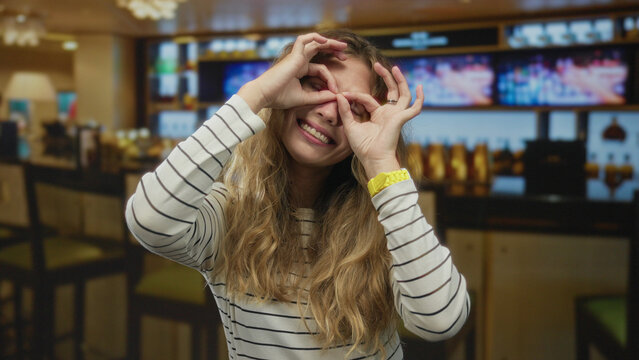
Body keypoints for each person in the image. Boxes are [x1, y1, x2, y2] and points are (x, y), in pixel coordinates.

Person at [126, 29, 470, 359]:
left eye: (355, 107)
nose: (328, 111)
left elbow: (440, 320)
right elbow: (148, 220)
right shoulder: (231, 209)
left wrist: (381, 162)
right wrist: (256, 95)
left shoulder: (385, 221)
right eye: (316, 86)